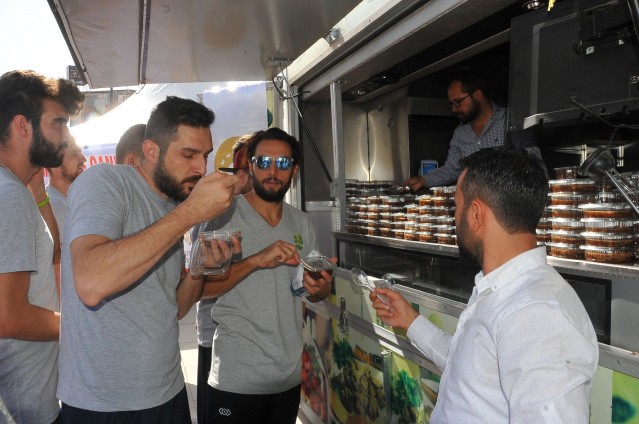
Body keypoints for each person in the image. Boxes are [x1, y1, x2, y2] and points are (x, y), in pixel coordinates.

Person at [372, 147, 598, 423]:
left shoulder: (538, 314)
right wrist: (411, 322)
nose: (455, 218)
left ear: (476, 214)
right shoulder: (505, 289)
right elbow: (471, 370)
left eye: (457, 207)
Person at [57, 96, 238, 423]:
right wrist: (191, 212)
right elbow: (91, 283)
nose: (201, 168)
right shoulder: (104, 182)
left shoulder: (171, 207)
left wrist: (199, 269)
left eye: (205, 155)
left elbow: (174, 308)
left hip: (167, 393)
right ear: (151, 151)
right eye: (189, 155)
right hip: (101, 405)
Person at [195, 127, 333, 424]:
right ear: (250, 165)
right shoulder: (223, 216)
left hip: (287, 378)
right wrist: (255, 261)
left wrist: (319, 288)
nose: (272, 171)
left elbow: (305, 290)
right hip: (236, 378)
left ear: (294, 170)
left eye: (282, 163)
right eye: (263, 162)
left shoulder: (302, 223)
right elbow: (200, 289)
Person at [0, 70, 84, 424]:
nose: (64, 136)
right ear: (23, 126)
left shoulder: (15, 190)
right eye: (58, 123)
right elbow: (8, 316)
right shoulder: (9, 196)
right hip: (28, 405)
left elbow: (50, 255)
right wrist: (82, 325)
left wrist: (36, 192)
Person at [402, 69, 540, 191]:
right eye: (451, 104)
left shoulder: (511, 121)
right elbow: (451, 169)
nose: (454, 109)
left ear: (477, 94)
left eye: (458, 102)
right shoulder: (460, 134)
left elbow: (534, 164)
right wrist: (423, 180)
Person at [195, 134, 253, 424]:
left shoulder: (276, 216)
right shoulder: (220, 212)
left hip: (256, 350)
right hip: (217, 342)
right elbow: (198, 282)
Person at [46, 135, 87, 240]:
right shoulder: (54, 206)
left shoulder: (70, 201)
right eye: (74, 154)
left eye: (81, 152)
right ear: (55, 162)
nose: (83, 159)